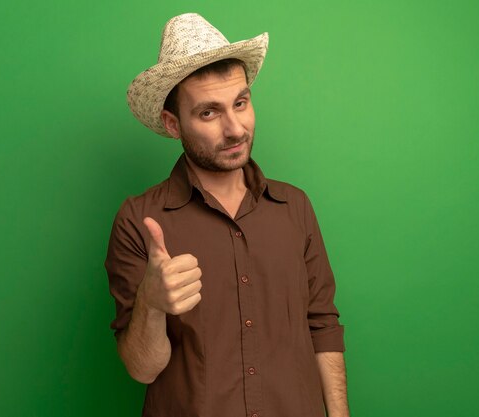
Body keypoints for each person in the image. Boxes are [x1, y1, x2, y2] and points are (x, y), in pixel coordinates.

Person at [105, 13, 349, 417]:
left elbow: (322, 327)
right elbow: (142, 369)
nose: (235, 128)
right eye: (208, 113)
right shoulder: (139, 220)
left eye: (241, 103)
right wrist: (151, 301)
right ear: (173, 124)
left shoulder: (295, 208)